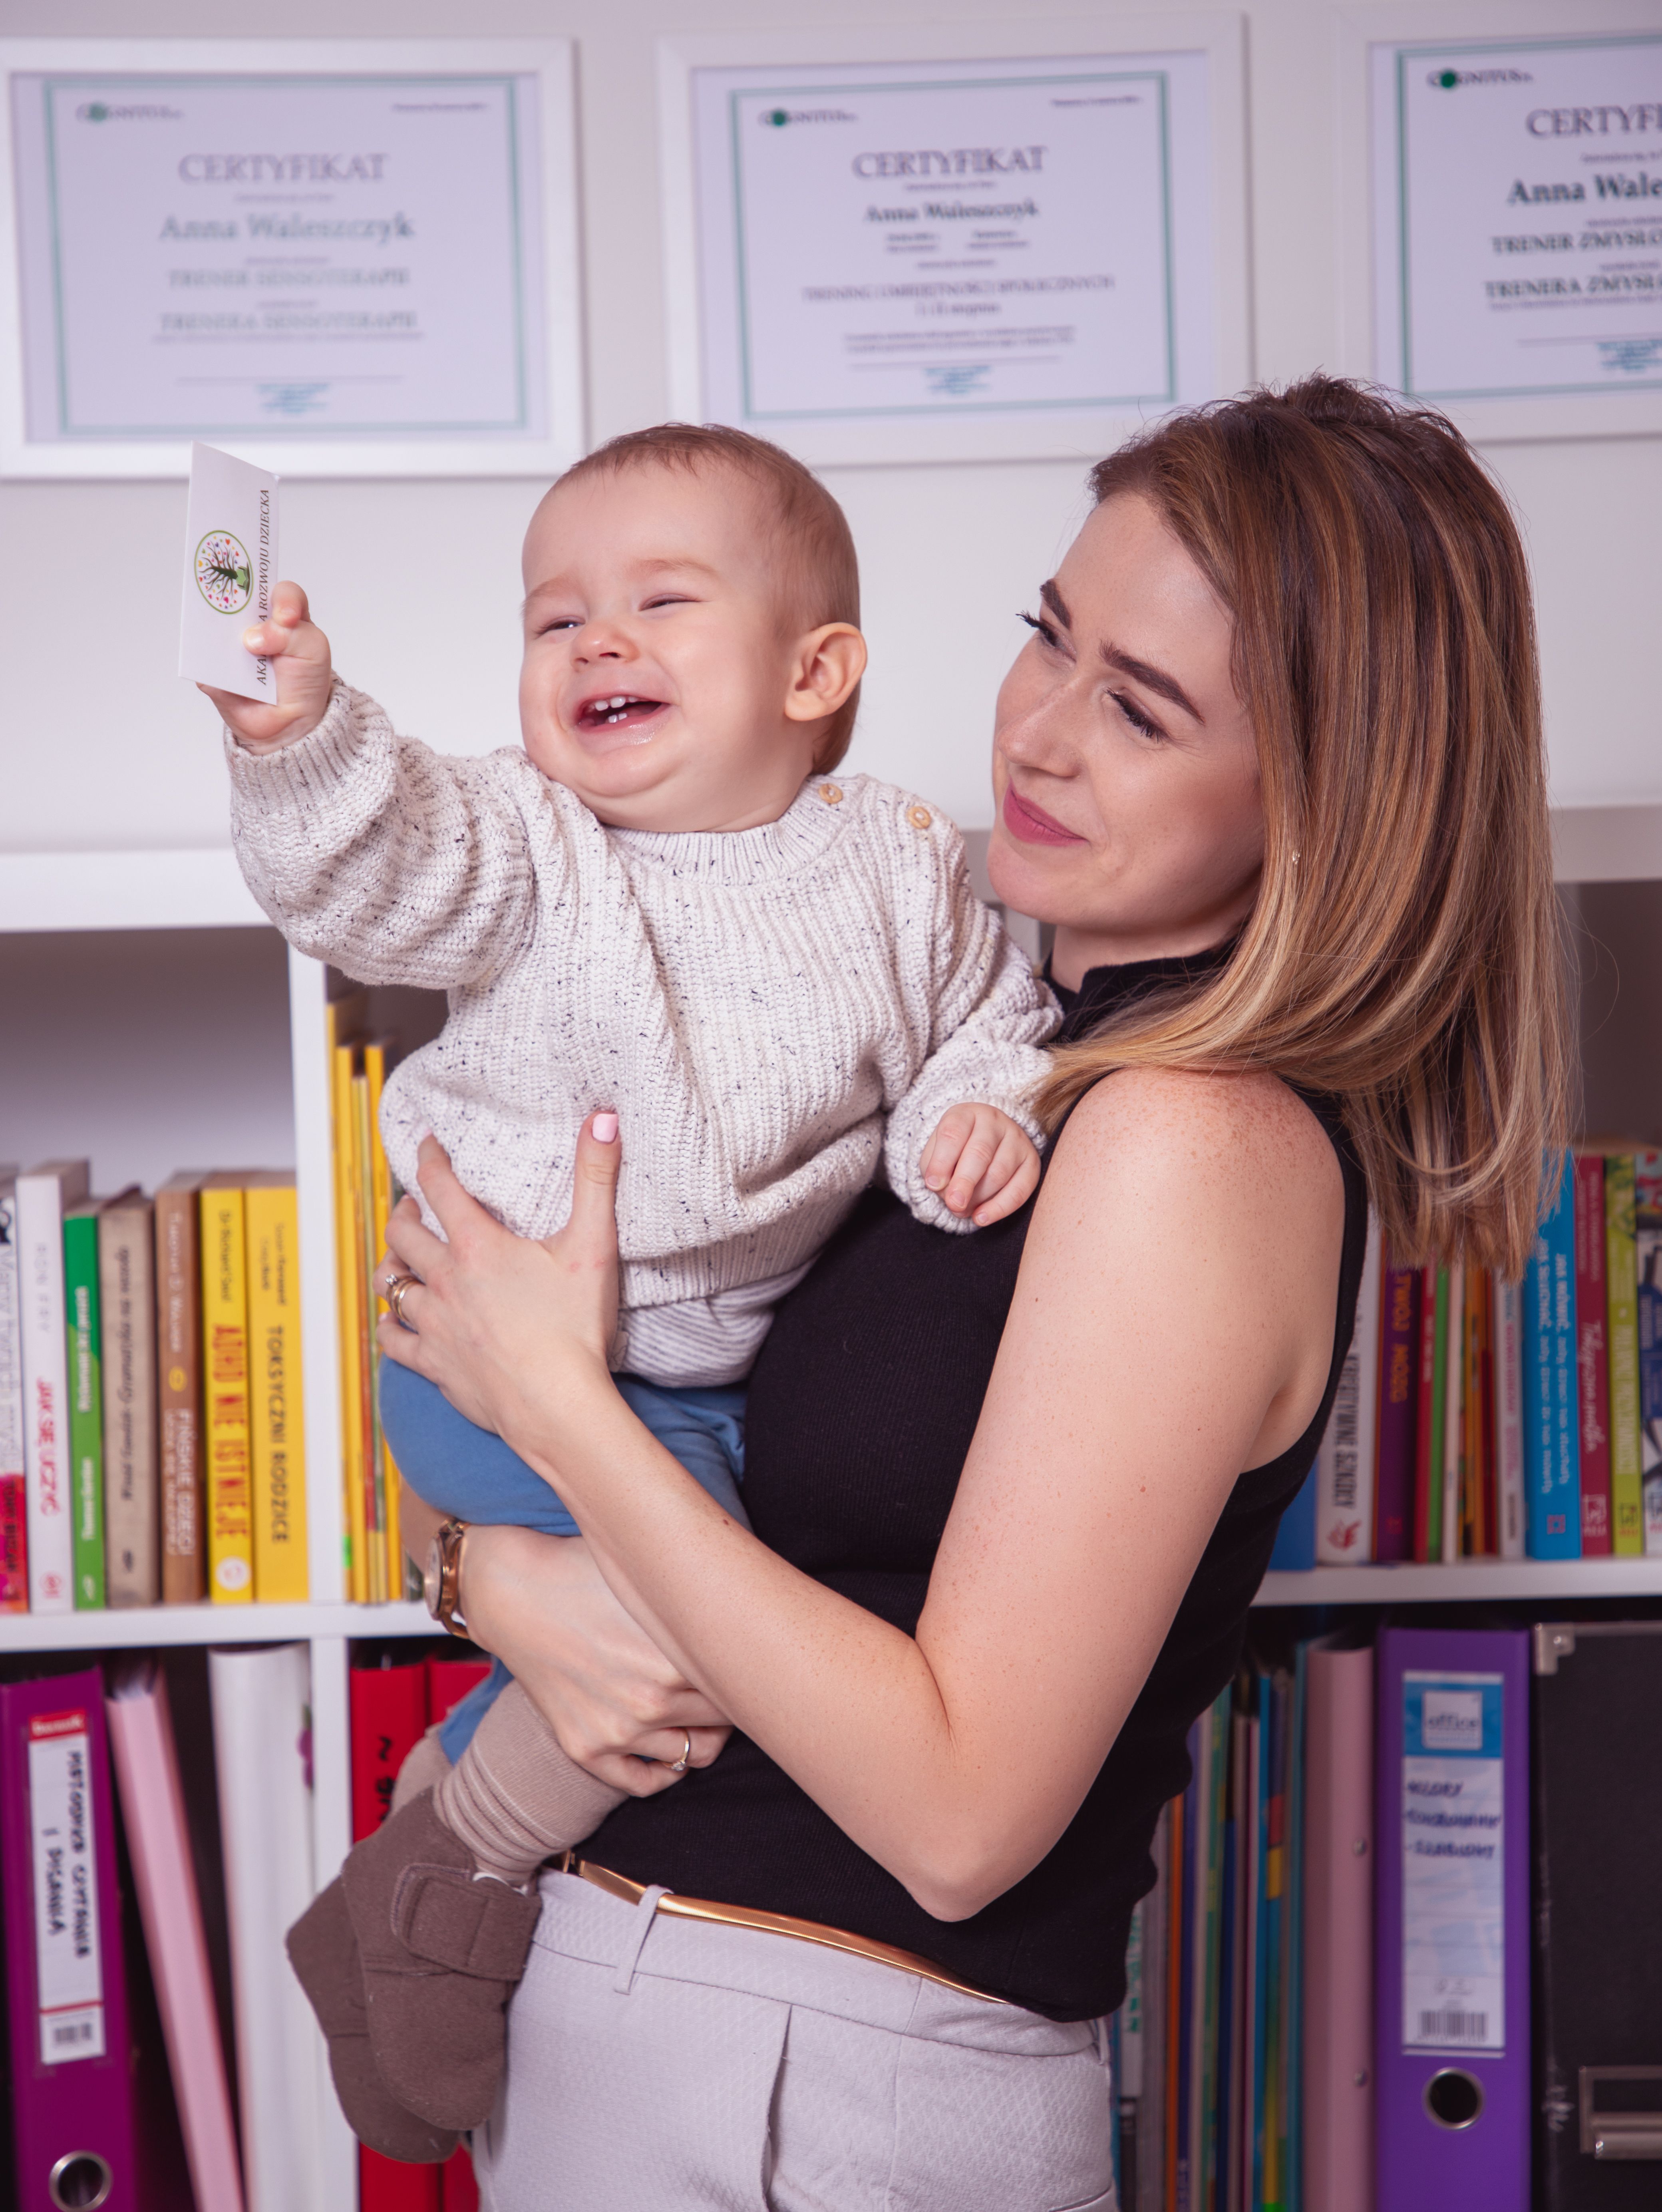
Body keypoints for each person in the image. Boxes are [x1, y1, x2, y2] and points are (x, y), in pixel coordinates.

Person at [369, 376, 1571, 2209]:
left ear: (1322, 796)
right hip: (689, 2037)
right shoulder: (985, 1054)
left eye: (1140, 707)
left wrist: (553, 1403)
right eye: (1048, 633)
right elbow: (711, 1497)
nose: (1038, 730)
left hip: (810, 2087)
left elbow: (955, 1817)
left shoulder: (1185, 1140)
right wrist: (479, 1567)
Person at [205, 425, 1058, 2151]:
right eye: (557, 617)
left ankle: (441, 1800)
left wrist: (977, 1115)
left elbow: (989, 1021)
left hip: (699, 1385)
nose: (599, 637)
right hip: (491, 1361)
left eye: (663, 602)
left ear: (813, 672)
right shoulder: (532, 846)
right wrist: (303, 741)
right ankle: (452, 1874)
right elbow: (384, 868)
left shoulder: (897, 861)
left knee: (723, 1623)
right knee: (716, 1633)